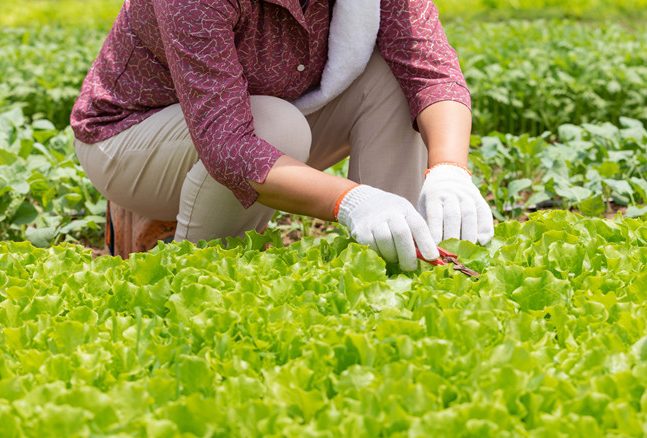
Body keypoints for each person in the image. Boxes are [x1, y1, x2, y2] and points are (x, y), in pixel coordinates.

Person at [71, 0, 493, 270]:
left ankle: (401, 256)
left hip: (272, 117)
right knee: (272, 126)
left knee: (392, 78)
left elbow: (430, 72)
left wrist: (449, 171)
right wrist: (352, 202)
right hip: (129, 140)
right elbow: (229, 146)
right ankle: (204, 273)